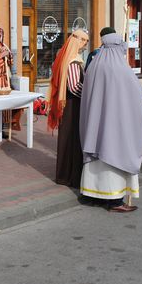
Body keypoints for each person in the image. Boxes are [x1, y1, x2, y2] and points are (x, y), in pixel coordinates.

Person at [79, 27, 142, 212]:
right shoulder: (119, 67)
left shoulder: (94, 65)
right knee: (113, 157)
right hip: (116, 126)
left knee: (97, 161)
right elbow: (138, 94)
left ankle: (94, 195)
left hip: (96, 127)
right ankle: (115, 200)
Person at [48, 29, 89, 187]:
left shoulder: (70, 58)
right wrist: (88, 94)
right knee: (71, 139)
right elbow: (73, 87)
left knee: (70, 138)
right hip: (72, 105)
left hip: (72, 104)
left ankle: (67, 174)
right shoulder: (72, 60)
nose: (85, 45)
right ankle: (69, 176)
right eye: (84, 42)